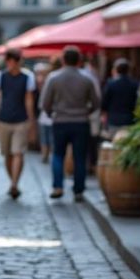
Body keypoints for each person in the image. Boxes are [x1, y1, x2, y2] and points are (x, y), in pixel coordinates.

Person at [41, 46, 100, 201]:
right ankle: (78, 190)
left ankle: (58, 186)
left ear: (63, 60)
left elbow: (45, 102)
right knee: (79, 157)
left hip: (60, 121)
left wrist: (51, 114)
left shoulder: (54, 78)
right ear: (79, 60)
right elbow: (96, 102)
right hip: (81, 122)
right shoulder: (86, 79)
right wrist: (86, 112)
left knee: (58, 154)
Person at [0, 49, 36, 200]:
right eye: (9, 61)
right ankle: (13, 182)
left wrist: (31, 120)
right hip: (4, 119)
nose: (11, 64)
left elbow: (28, 99)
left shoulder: (27, 77)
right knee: (8, 154)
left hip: (20, 120)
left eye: (14, 61)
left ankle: (15, 184)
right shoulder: (1, 77)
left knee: (18, 152)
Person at [101, 59, 139, 147]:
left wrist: (104, 114)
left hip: (114, 120)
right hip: (130, 120)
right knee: (127, 146)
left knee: (115, 146)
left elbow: (104, 102)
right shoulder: (134, 84)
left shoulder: (111, 84)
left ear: (116, 70)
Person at [34, 61, 54, 161]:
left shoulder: (51, 81)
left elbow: (43, 102)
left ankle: (47, 154)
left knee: (49, 137)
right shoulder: (38, 84)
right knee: (44, 136)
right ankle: (45, 154)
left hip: (50, 114)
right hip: (45, 115)